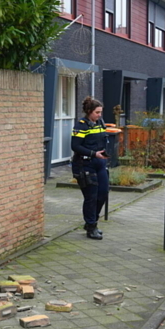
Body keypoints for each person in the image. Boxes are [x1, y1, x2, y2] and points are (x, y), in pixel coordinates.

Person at [71, 96, 109, 239]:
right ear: (89, 111)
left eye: (100, 112)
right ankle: (91, 227)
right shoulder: (81, 125)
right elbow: (75, 146)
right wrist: (93, 153)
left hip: (100, 164)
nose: (99, 115)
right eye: (97, 112)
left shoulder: (100, 123)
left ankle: (92, 221)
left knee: (102, 194)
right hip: (85, 165)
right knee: (91, 197)